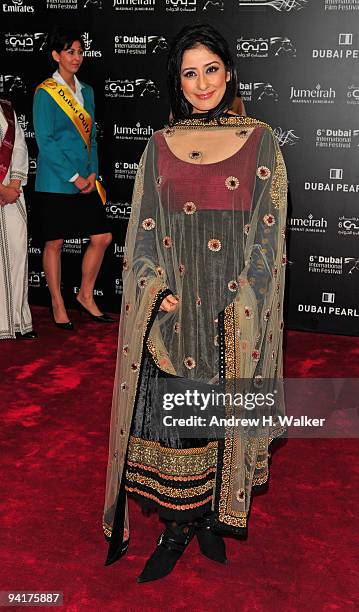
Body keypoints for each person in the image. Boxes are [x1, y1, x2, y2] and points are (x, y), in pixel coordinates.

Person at [103, 24, 288, 583]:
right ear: (177, 82)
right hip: (174, 315)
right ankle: (178, 525)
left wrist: (243, 304)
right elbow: (141, 235)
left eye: (211, 69)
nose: (202, 82)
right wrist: (157, 296)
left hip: (234, 317)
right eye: (190, 72)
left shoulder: (262, 142)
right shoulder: (158, 147)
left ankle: (210, 515)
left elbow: (269, 236)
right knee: (179, 425)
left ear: (229, 72)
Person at [33, 28, 113, 330]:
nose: (77, 57)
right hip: (57, 180)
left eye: (80, 51)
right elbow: (46, 140)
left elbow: (91, 138)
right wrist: (74, 177)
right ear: (56, 55)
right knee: (54, 242)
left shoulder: (87, 91)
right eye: (70, 51)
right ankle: (57, 302)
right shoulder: (45, 92)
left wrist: (91, 173)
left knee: (102, 237)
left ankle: (85, 295)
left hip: (87, 180)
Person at [0, 99, 37, 340]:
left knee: (17, 254)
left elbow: (20, 147)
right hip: (4, 192)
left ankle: (19, 322)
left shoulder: (6, 108)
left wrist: (13, 182)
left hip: (13, 194)